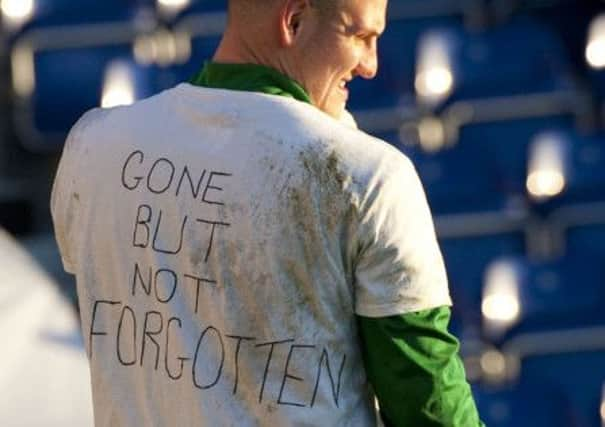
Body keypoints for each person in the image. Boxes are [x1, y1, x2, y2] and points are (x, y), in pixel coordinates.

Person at [51, 0, 484, 425]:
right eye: (360, 36)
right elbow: (425, 395)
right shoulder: (365, 175)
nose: (371, 65)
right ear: (294, 21)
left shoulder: (94, 145)